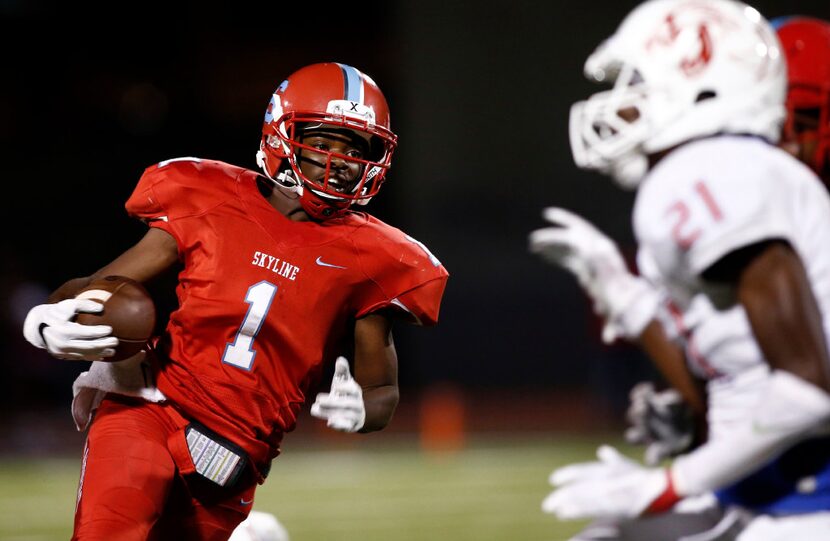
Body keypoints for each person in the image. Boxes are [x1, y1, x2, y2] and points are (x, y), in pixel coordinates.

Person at [21, 62, 449, 540]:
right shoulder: (209, 195)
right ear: (281, 135)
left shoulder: (378, 257)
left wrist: (362, 411)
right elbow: (101, 285)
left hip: (237, 454)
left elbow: (381, 390)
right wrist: (45, 317)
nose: (340, 160)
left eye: (355, 149)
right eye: (324, 142)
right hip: (153, 406)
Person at [529, 1, 830, 539]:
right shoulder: (723, 176)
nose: (622, 104)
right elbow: (751, 370)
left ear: (702, 89)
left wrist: (667, 482)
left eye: (641, 85)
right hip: (767, 488)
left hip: (805, 502)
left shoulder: (711, 172)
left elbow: (805, 389)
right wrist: (627, 299)